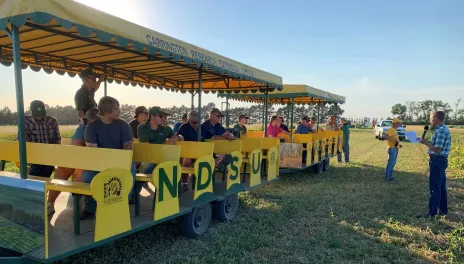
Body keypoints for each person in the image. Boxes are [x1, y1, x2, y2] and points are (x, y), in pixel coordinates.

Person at [80, 96, 136, 220]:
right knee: (88, 176)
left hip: (120, 160)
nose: (119, 111)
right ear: (106, 110)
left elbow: (128, 147)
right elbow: (92, 151)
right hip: (99, 161)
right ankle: (89, 209)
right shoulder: (93, 126)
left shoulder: (123, 125)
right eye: (116, 109)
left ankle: (121, 206)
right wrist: (106, 161)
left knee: (130, 170)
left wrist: (115, 160)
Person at [48, 107, 99, 216]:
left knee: (81, 169)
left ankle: (83, 201)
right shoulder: (83, 127)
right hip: (84, 159)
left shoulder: (109, 127)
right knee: (63, 169)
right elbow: (76, 147)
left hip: (101, 161)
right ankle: (50, 203)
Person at [418, 111, 452, 218]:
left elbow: (437, 149)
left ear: (436, 118)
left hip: (437, 161)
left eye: (431, 118)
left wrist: (425, 142)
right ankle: (443, 211)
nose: (430, 120)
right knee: (441, 186)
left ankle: (432, 214)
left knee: (434, 187)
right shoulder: (441, 129)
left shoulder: (441, 131)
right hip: (440, 161)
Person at [137, 106, 179, 190]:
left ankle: (167, 194)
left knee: (172, 166)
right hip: (147, 158)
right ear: (152, 116)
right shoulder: (142, 127)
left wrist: (176, 137)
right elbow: (147, 147)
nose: (163, 119)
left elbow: (176, 136)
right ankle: (136, 190)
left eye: (164, 116)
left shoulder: (165, 129)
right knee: (149, 164)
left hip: (161, 158)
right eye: (160, 116)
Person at [24, 100, 61, 178]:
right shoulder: (25, 121)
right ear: (31, 111)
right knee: (37, 169)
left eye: (41, 113)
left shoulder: (52, 121)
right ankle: (35, 187)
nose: (40, 116)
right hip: (33, 156)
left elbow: (57, 139)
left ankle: (39, 187)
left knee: (47, 168)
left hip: (49, 156)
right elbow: (23, 140)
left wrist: (54, 153)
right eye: (37, 114)